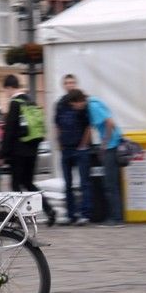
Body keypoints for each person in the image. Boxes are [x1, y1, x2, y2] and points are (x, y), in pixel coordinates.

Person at [0, 75, 56, 226]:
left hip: (18, 152)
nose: (6, 93)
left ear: (10, 87)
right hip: (32, 150)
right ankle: (49, 210)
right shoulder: (31, 101)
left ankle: (19, 217)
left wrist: (3, 153)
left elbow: (10, 130)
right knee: (29, 183)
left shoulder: (15, 103)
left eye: (6, 90)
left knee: (16, 185)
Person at [66, 89, 124, 228]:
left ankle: (115, 219)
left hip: (111, 146)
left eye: (74, 105)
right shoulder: (92, 103)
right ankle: (116, 217)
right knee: (111, 183)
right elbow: (95, 126)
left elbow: (109, 122)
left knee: (109, 184)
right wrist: (83, 145)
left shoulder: (93, 106)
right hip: (112, 144)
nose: (75, 108)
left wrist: (105, 143)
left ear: (79, 101)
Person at [54, 74, 92, 225]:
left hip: (80, 149)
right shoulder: (60, 104)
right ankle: (71, 214)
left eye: (72, 82)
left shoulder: (82, 103)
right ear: (63, 85)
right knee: (68, 184)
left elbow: (89, 125)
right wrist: (59, 143)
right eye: (67, 83)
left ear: (75, 84)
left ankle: (85, 213)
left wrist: (83, 144)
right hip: (66, 148)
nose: (70, 85)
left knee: (84, 182)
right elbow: (57, 124)